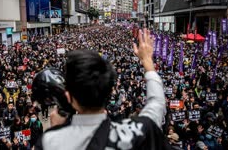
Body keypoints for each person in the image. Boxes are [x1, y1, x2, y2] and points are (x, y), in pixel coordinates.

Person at [35, 29, 169, 149]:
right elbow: (156, 103)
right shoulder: (137, 132)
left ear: (69, 97)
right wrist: (147, 60)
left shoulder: (50, 142)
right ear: (110, 91)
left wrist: (57, 129)